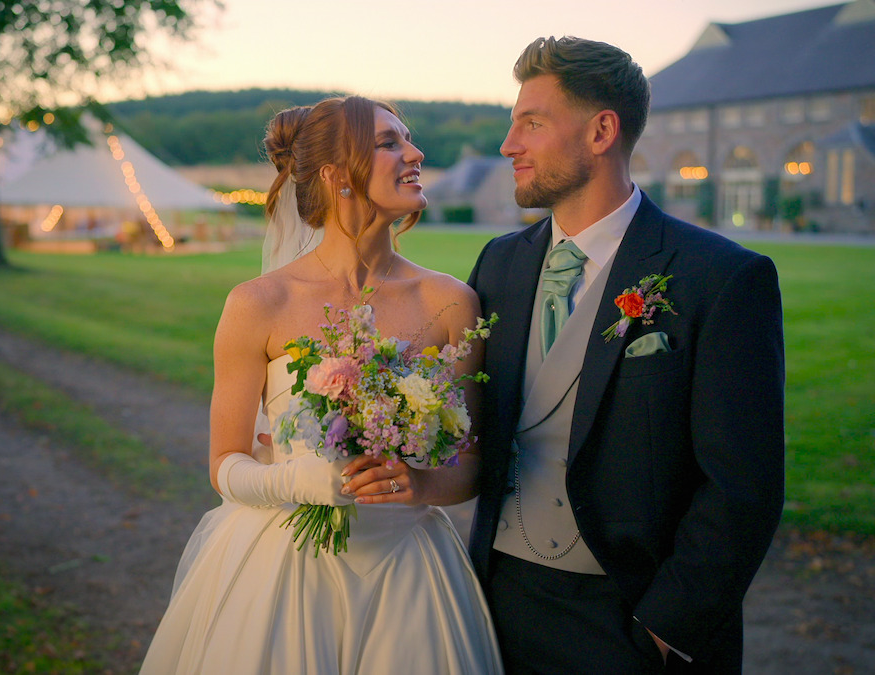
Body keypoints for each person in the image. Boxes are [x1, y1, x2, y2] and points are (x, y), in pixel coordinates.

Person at [140, 96, 503, 674]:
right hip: (285, 564)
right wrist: (298, 480)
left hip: (406, 569)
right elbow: (224, 463)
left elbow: (474, 465)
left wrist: (421, 482)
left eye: (406, 139)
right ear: (337, 174)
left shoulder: (451, 303)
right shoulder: (259, 303)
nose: (415, 153)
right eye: (389, 142)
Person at [466, 36, 785, 673]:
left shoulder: (718, 277)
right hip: (493, 604)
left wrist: (668, 626)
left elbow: (742, 484)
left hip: (629, 622)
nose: (509, 145)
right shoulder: (498, 264)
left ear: (602, 131)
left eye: (531, 122)